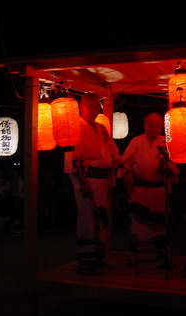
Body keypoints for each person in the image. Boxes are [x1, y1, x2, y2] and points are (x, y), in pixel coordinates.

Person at [66, 93, 116, 275]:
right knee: (87, 217)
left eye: (97, 107)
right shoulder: (75, 127)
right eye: (92, 107)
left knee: (101, 217)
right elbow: (72, 160)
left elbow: (112, 157)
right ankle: (86, 259)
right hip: (87, 178)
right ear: (82, 107)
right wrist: (82, 183)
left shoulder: (102, 129)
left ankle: (99, 255)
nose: (95, 111)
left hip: (103, 178)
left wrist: (112, 179)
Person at [120, 113, 177, 266]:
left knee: (159, 224)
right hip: (140, 189)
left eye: (157, 126)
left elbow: (175, 168)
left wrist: (167, 169)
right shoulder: (136, 141)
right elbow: (123, 161)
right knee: (139, 223)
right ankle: (137, 254)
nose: (154, 129)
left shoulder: (166, 142)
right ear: (145, 125)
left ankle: (161, 254)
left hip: (159, 190)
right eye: (151, 125)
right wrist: (128, 171)